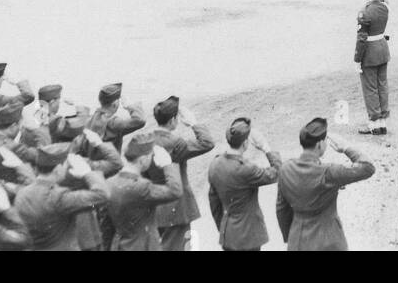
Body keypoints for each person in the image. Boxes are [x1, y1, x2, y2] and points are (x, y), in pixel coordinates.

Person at [274, 117, 375, 251]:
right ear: (319, 144)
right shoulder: (329, 172)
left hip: (298, 241)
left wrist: (291, 236)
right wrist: (346, 147)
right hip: (329, 242)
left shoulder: (285, 169)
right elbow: (368, 167)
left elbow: (281, 209)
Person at [13, 144, 110, 252]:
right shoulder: (59, 197)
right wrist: (87, 173)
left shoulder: (22, 193)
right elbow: (103, 195)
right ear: (58, 168)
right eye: (65, 165)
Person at [206, 118, 282, 252]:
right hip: (249, 238)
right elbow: (277, 172)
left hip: (228, 235)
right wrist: (266, 147)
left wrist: (224, 229)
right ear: (246, 143)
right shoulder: (246, 169)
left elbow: (214, 203)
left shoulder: (215, 164)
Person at [150, 95, 214, 251]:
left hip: (154, 206)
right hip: (177, 209)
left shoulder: (146, 141)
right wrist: (193, 123)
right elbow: (206, 142)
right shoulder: (175, 143)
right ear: (172, 120)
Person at [106, 132, 182, 251]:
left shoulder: (110, 183)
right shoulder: (141, 187)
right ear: (142, 160)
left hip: (120, 245)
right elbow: (175, 191)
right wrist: (168, 164)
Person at [355, 0, 390, 135]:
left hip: (369, 54)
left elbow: (361, 39)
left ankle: (374, 124)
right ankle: (383, 122)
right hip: (383, 49)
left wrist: (357, 59)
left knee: (370, 88)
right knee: (382, 86)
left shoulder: (365, 12)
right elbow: (383, 4)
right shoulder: (384, 8)